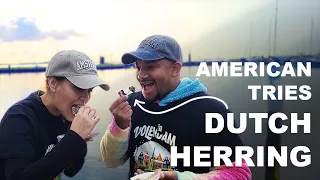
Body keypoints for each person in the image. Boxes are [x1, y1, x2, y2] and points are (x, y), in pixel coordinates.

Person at [100, 35, 251, 179]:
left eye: (150, 67)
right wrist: (119, 126)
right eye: (138, 67)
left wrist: (182, 178)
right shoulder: (132, 104)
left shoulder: (210, 110)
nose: (141, 75)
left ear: (175, 69)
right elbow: (111, 161)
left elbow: (239, 173)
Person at [0, 50, 110, 180]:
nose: (85, 98)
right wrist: (74, 139)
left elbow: (71, 170)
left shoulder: (65, 115)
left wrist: (79, 141)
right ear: (53, 84)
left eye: (90, 90)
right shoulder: (18, 119)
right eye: (79, 88)